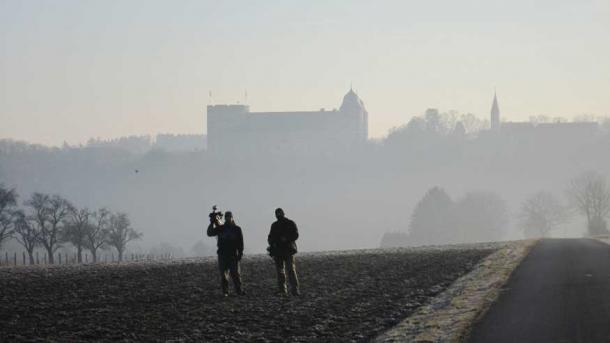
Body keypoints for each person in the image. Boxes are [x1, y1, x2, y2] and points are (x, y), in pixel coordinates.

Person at [207, 211, 245, 296]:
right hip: (222, 255)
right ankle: (225, 292)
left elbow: (240, 243)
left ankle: (239, 290)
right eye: (227, 217)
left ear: (232, 218)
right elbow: (209, 233)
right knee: (224, 275)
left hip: (233, 255)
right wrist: (212, 222)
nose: (228, 218)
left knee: (235, 274)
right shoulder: (221, 228)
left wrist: (240, 253)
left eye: (229, 217)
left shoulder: (237, 229)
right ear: (225, 218)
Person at [268, 208, 300, 296]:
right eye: (277, 213)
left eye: (279, 213)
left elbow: (296, 234)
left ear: (283, 213)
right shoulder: (274, 225)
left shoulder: (290, 223)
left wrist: (286, 238)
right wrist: (272, 244)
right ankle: (282, 290)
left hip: (288, 250)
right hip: (278, 251)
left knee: (291, 270)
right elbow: (270, 237)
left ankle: (295, 290)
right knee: (280, 272)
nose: (278, 215)